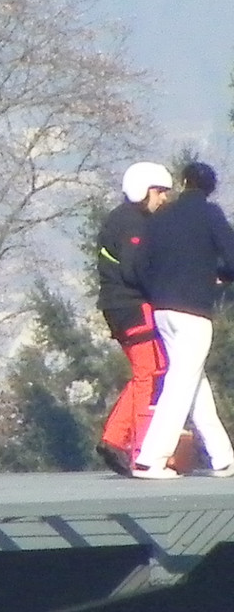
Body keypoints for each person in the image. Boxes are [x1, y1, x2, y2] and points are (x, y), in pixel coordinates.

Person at [132, 161, 234, 479]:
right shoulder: (210, 214)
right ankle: (150, 458)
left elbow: (141, 265)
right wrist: (220, 276)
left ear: (183, 181)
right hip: (194, 311)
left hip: (163, 310)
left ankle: (223, 457)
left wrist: (157, 292)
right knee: (180, 383)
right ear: (210, 188)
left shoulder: (162, 216)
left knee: (193, 383)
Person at [94, 162, 173, 475]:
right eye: (159, 192)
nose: (163, 198)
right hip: (133, 307)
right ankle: (140, 449)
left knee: (147, 372)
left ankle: (116, 438)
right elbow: (133, 268)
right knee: (149, 374)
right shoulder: (133, 222)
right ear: (143, 190)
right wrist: (164, 287)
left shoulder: (122, 218)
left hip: (120, 307)